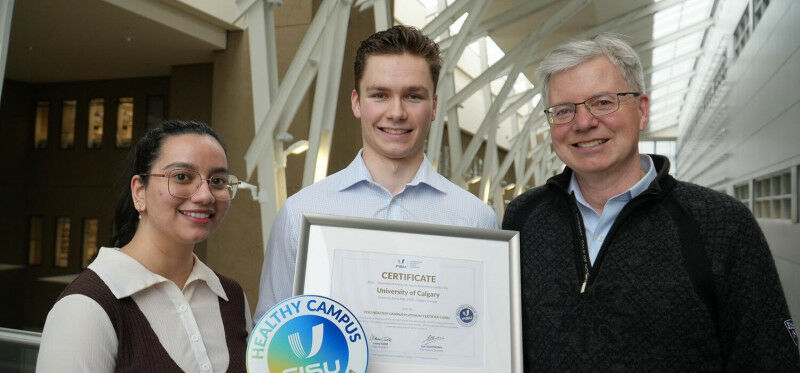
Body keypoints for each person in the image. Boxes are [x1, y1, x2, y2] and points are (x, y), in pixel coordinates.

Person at [502, 34, 800, 370]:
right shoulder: (523, 218)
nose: (583, 123)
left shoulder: (721, 225)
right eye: (564, 110)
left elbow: (768, 358)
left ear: (642, 111)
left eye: (602, 102)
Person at [255, 25, 498, 319]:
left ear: (433, 107)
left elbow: (489, 332)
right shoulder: (300, 214)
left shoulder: (476, 219)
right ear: (357, 102)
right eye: (380, 95)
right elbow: (272, 335)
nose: (396, 112)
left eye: (413, 96)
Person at [37, 120, 252, 372]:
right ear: (140, 191)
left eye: (217, 181)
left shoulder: (231, 297)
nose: (205, 195)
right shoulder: (86, 307)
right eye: (182, 177)